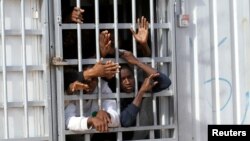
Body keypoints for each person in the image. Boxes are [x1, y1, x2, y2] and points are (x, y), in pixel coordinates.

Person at [64, 60, 120, 141]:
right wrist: (91, 120)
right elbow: (68, 121)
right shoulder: (74, 88)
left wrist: (107, 114)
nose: (90, 81)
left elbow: (116, 119)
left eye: (94, 78)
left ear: (98, 80)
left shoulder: (102, 87)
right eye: (87, 78)